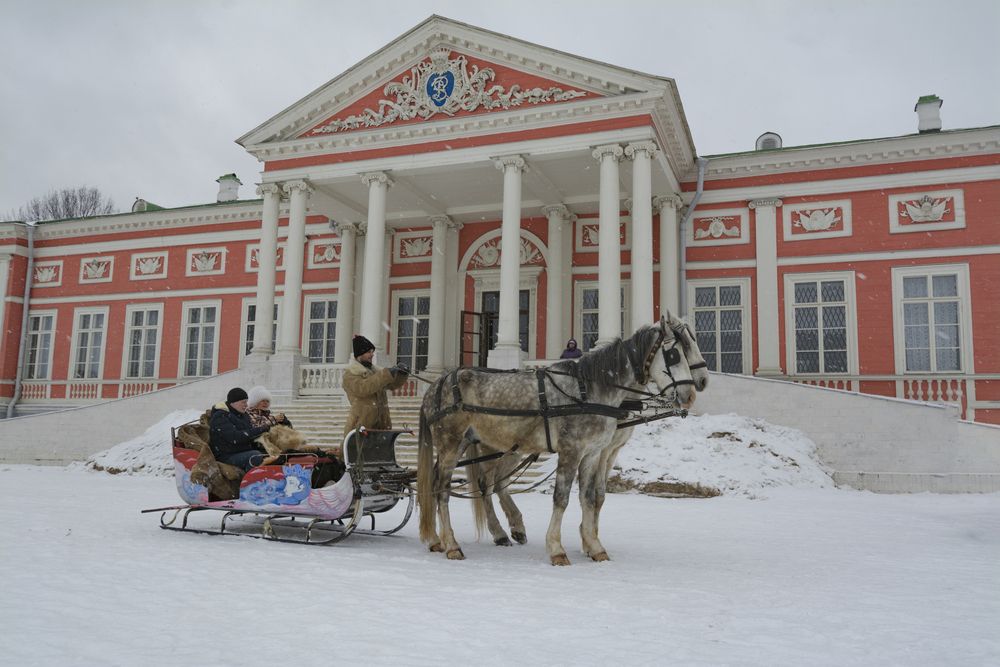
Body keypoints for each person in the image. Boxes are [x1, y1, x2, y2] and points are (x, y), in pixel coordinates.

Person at [342, 334, 409, 437]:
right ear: (360, 355)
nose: (372, 355)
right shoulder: (350, 374)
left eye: (372, 352)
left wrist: (401, 374)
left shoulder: (376, 372)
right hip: (360, 429)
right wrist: (387, 373)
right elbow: (364, 388)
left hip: (381, 428)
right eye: (369, 352)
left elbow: (392, 385)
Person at [208, 387, 272, 471]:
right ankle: (249, 482)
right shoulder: (221, 416)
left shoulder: (243, 415)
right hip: (226, 456)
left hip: (242, 451)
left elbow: (249, 435)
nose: (246, 405)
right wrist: (261, 429)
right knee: (255, 456)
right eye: (243, 402)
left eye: (246, 402)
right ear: (233, 403)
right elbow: (235, 437)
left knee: (271, 454)